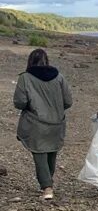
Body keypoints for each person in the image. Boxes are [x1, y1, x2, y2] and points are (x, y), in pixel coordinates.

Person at [14, 48, 73, 200]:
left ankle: (47, 187)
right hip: (57, 121)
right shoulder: (59, 77)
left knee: (39, 154)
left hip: (35, 122)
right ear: (47, 60)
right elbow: (68, 101)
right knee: (52, 151)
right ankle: (48, 183)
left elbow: (20, 102)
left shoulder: (25, 78)